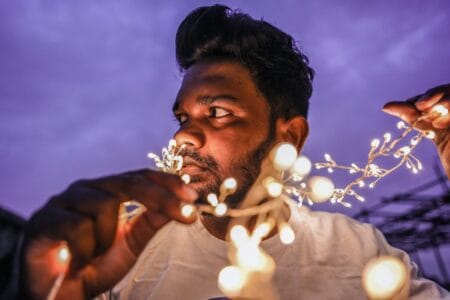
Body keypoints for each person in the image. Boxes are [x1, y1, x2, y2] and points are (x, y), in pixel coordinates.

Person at [5, 4, 449, 299]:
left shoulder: (358, 251)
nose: (183, 137)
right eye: (182, 118)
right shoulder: (125, 251)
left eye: (216, 112)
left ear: (289, 137)